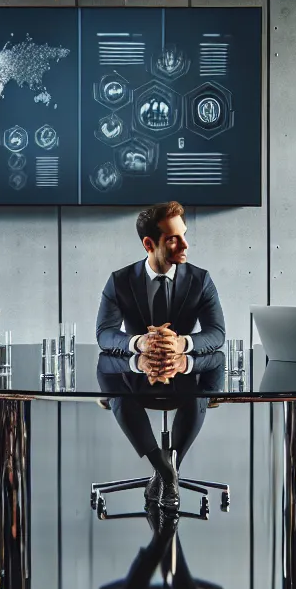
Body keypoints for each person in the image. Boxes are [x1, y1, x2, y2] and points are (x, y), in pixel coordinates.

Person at [94, 201, 226, 509]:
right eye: (174, 238)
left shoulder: (200, 279)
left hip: (185, 376)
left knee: (199, 392)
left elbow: (217, 333)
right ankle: (165, 468)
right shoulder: (120, 281)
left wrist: (181, 344)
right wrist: (139, 343)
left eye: (184, 235)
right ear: (149, 244)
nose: (185, 244)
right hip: (135, 380)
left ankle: (167, 472)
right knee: (115, 388)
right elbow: (104, 334)